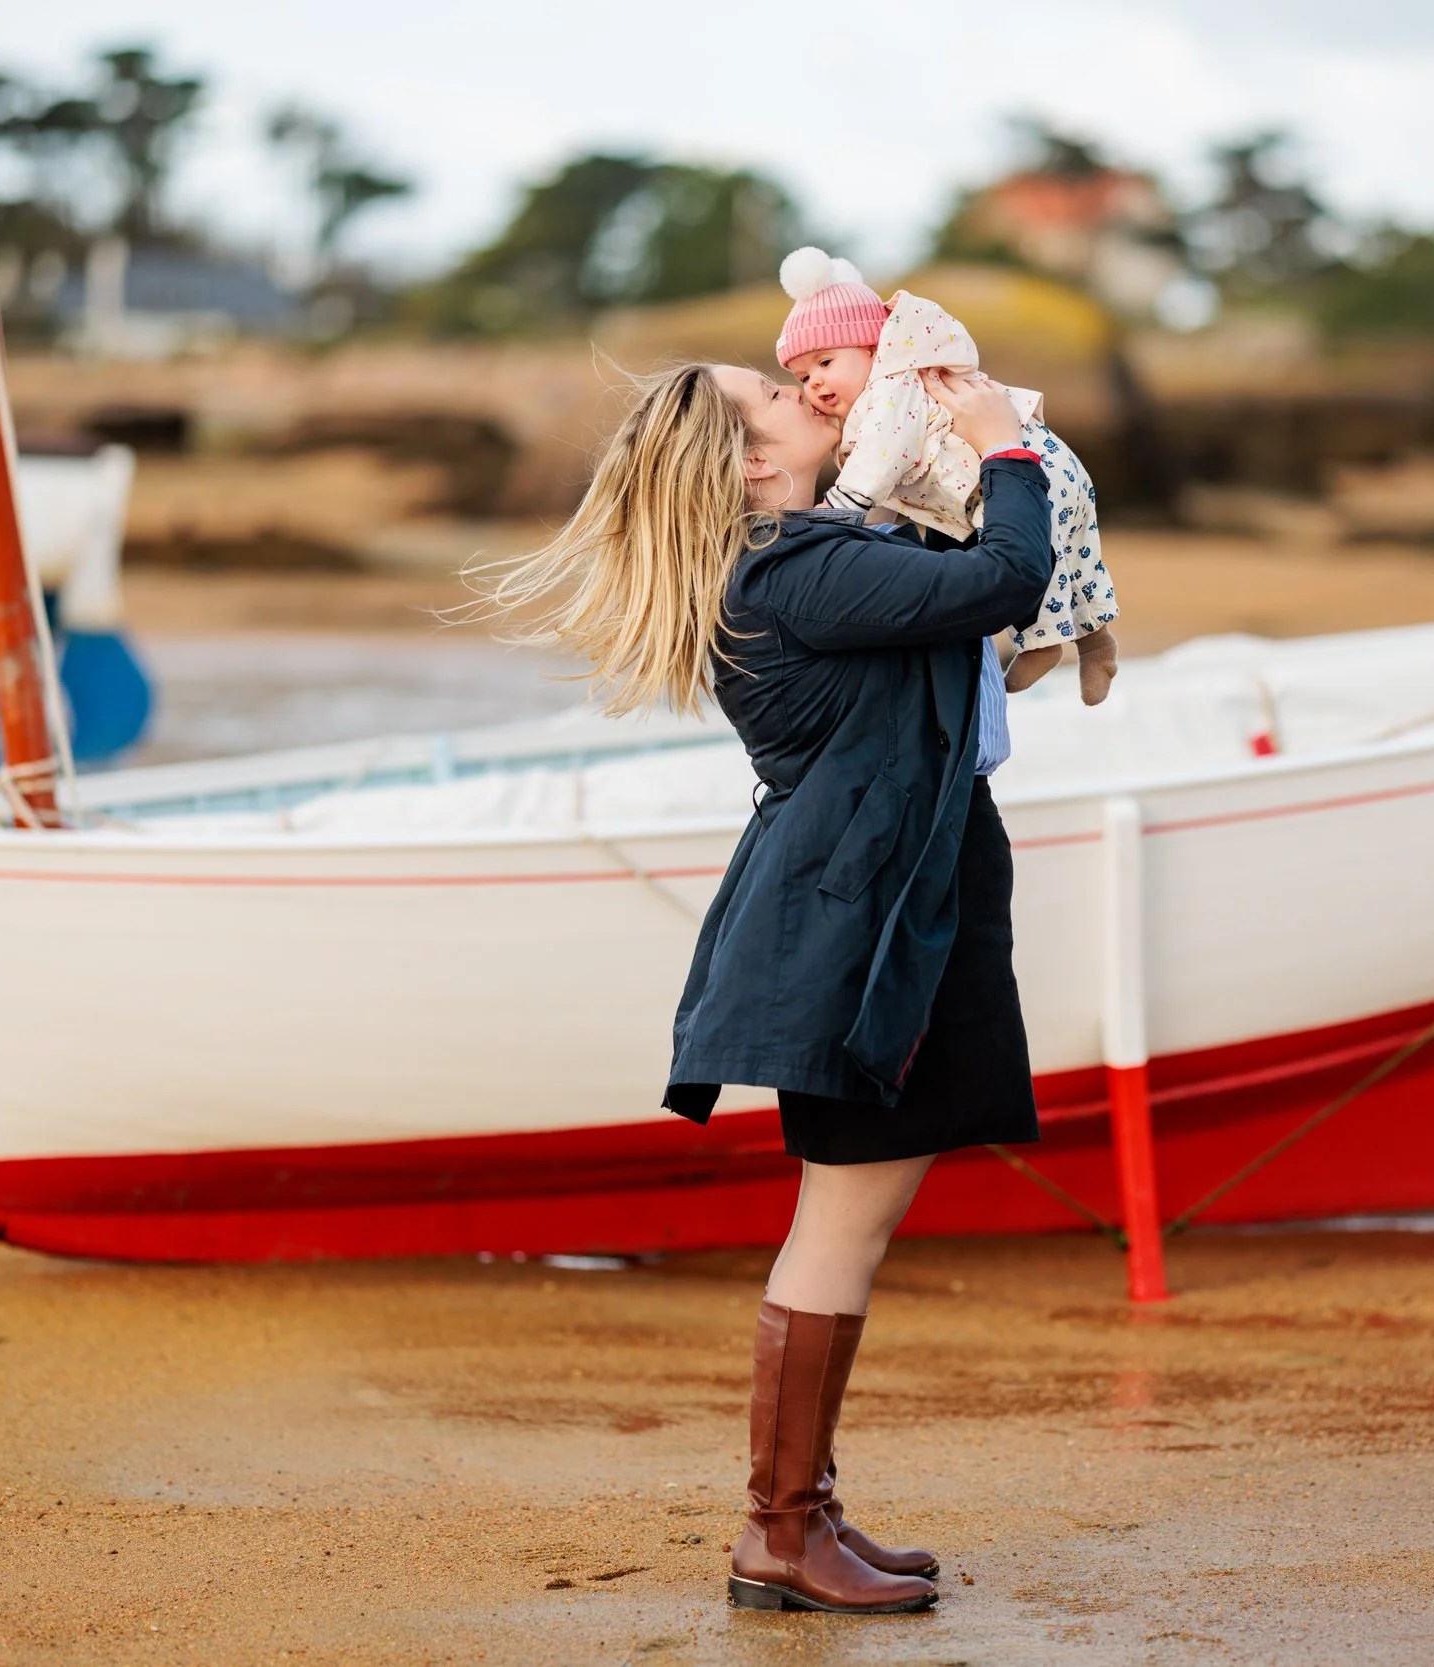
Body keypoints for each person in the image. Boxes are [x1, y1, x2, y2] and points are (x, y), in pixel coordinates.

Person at [490, 359, 1054, 1615]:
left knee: (851, 1218)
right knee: (842, 1222)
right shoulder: (795, 571)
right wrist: (1004, 443)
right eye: (780, 397)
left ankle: (807, 1514)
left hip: (877, 907)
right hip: (858, 931)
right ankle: (780, 1530)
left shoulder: (808, 556)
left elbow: (942, 577)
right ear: (751, 461)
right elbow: (1004, 578)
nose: (813, 396)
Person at [775, 247, 1120, 704]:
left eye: (825, 363)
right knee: (1075, 554)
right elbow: (892, 491)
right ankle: (1097, 645)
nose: (814, 383)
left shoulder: (890, 389)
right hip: (1042, 461)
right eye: (802, 376)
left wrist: (840, 506)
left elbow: (882, 459)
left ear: (872, 349)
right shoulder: (886, 394)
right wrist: (865, 531)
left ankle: (1041, 643)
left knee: (1042, 556)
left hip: (1022, 466)